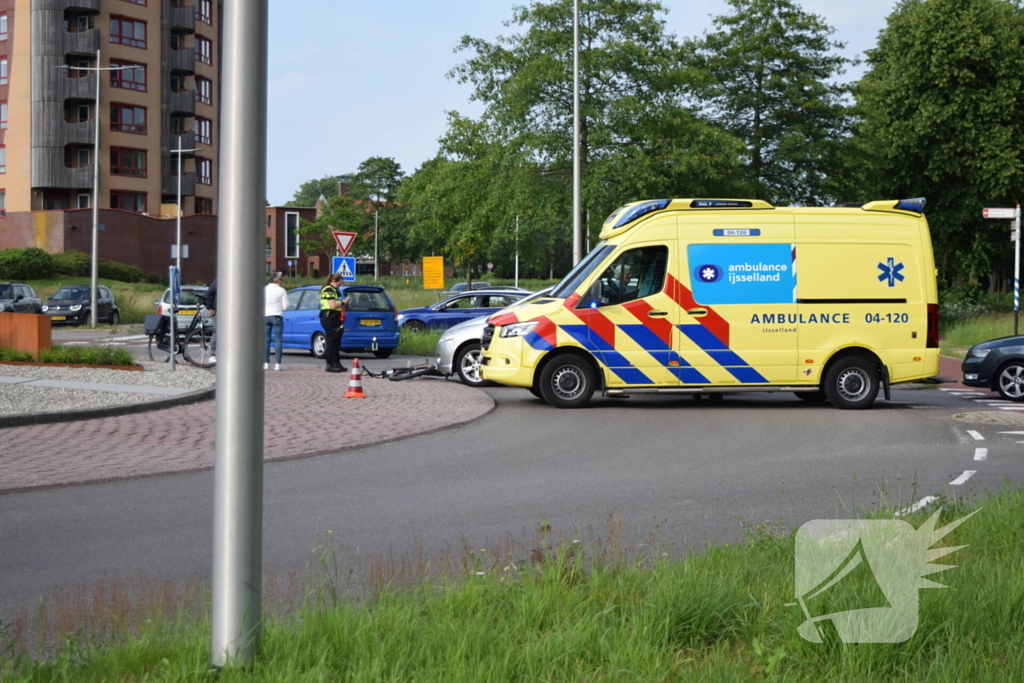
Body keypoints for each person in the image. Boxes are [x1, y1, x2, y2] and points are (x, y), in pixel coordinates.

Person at [319, 273, 349, 373]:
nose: (340, 285)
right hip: (329, 318)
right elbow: (332, 305)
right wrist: (344, 302)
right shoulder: (328, 290)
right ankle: (330, 364)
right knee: (331, 341)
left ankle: (337, 363)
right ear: (334, 281)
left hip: (335, 318)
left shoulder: (334, 290)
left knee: (337, 341)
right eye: (340, 283)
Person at [264, 272, 289, 370]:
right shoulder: (281, 290)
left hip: (266, 316)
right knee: (278, 340)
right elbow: (286, 306)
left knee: (266, 340)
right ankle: (278, 364)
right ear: (277, 280)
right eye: (281, 279)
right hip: (277, 316)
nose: (282, 281)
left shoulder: (264, 290)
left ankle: (266, 363)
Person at [205, 278, 217, 364]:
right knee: (217, 331)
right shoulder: (218, 282)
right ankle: (212, 354)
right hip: (218, 311)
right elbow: (207, 294)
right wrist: (210, 307)